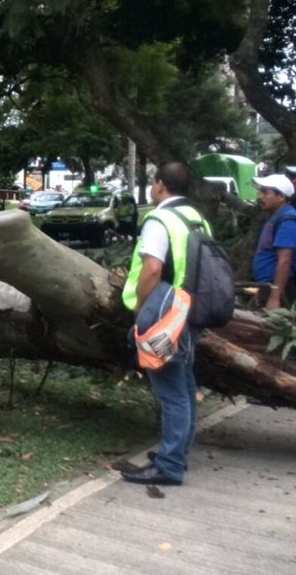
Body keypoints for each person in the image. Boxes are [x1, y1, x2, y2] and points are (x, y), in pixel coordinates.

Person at [119, 162, 208, 486]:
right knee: (183, 388)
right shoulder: (196, 219)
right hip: (190, 313)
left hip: (165, 317)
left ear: (159, 185)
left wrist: (142, 311)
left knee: (171, 391)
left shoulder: (160, 220)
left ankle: (169, 465)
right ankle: (177, 453)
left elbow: (153, 269)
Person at [251, 174, 296, 310]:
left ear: (281, 197)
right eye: (260, 191)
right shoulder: (275, 217)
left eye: (266, 193)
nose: (260, 196)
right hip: (268, 286)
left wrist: (274, 297)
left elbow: (285, 260)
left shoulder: (288, 221)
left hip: (284, 291)